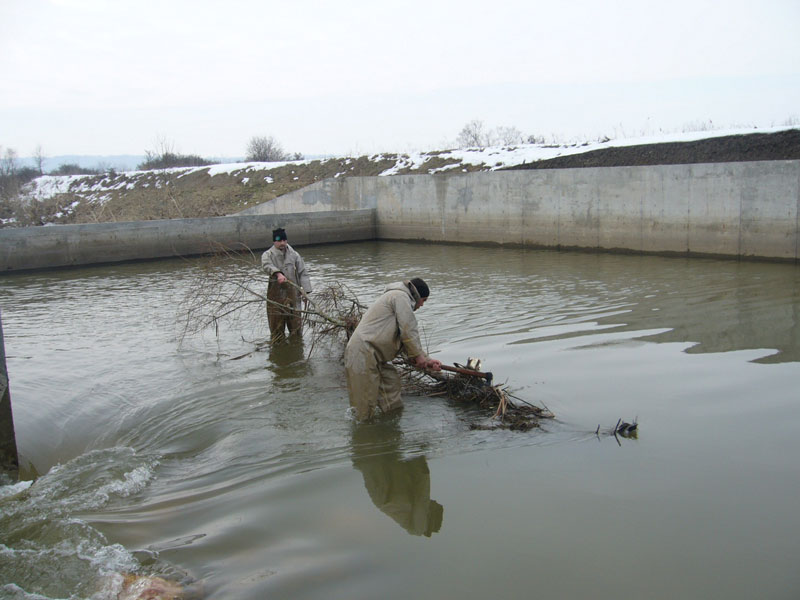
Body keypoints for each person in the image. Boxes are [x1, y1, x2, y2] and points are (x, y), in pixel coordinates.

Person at [344, 278, 442, 421]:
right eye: (424, 301)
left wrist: (427, 360)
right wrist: (418, 356)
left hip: (376, 356)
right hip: (362, 352)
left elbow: (403, 337)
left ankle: (390, 426)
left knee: (391, 388)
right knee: (364, 405)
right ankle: (364, 437)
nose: (422, 305)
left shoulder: (398, 297)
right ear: (417, 295)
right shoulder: (400, 296)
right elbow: (408, 329)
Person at [261, 228, 312, 343]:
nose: (282, 243)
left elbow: (303, 273)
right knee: (277, 332)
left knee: (296, 330)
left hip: (294, 296)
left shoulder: (294, 255)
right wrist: (278, 274)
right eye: (279, 241)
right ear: (274, 241)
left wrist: (306, 292)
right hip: (276, 298)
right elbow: (266, 265)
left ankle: (296, 353)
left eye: (284, 240)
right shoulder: (268, 255)